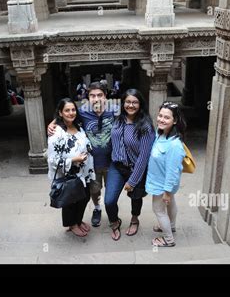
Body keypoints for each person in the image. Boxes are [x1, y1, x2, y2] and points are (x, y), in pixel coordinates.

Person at [48, 82, 118, 227]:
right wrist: (53, 122)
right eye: (92, 96)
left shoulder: (115, 111)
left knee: (111, 196)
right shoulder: (83, 112)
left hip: (112, 162)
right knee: (94, 190)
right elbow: (67, 113)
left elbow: (132, 113)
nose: (96, 99)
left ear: (106, 96)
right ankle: (97, 209)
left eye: (100, 95)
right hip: (93, 164)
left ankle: (113, 215)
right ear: (88, 98)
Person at [105, 89, 155, 241]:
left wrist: (132, 181)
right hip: (117, 166)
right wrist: (55, 121)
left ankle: (134, 219)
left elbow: (143, 157)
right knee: (109, 201)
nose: (131, 105)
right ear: (123, 103)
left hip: (136, 168)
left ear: (140, 105)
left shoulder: (145, 126)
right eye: (128, 102)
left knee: (135, 196)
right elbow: (87, 113)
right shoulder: (117, 119)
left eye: (135, 102)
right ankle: (115, 222)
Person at [47, 98, 95, 237]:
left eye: (73, 109)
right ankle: (72, 225)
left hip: (84, 172)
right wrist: (75, 159)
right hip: (69, 174)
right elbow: (53, 159)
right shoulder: (57, 132)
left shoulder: (78, 125)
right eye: (67, 110)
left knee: (84, 197)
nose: (71, 113)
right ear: (60, 113)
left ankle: (78, 221)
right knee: (71, 199)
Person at [146, 101, 186, 247]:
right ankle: (172, 226)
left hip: (163, 184)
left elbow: (172, 171)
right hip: (160, 181)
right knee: (170, 205)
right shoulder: (161, 134)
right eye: (160, 115)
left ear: (175, 120)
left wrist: (167, 192)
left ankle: (168, 239)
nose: (161, 120)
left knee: (158, 210)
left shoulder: (175, 145)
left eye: (166, 117)